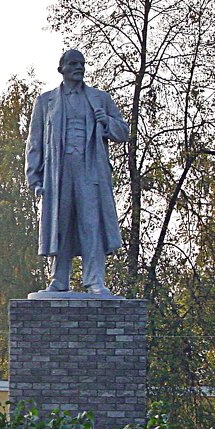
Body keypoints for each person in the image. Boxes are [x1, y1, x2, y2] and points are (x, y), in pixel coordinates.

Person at [26, 49, 128, 295]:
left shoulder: (99, 98)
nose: (79, 67)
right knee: (60, 225)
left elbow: (123, 132)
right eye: (73, 63)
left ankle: (94, 280)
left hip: (90, 171)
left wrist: (106, 123)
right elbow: (35, 143)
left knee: (90, 225)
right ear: (61, 68)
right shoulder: (45, 102)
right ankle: (59, 280)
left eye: (82, 63)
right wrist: (35, 178)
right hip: (57, 173)